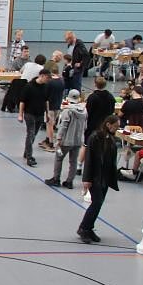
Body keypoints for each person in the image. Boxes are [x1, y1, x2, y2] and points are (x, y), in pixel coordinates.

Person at [78, 115, 121, 244]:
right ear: (108, 124)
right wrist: (87, 179)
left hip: (105, 177)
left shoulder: (111, 138)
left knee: (99, 203)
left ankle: (89, 227)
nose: (117, 129)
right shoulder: (95, 137)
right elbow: (89, 159)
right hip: (95, 177)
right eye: (116, 126)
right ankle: (83, 228)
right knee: (96, 202)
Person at [45, 91, 87, 189]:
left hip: (66, 141)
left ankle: (56, 179)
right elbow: (85, 126)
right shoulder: (84, 111)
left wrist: (58, 139)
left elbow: (63, 126)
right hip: (78, 140)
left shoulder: (67, 111)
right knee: (73, 161)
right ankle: (69, 181)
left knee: (59, 158)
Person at [17, 69, 51, 168]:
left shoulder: (45, 87)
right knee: (30, 133)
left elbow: (46, 101)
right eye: (47, 78)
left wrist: (47, 113)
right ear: (41, 76)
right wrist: (20, 114)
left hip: (40, 114)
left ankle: (26, 152)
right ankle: (29, 157)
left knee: (34, 134)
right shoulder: (29, 86)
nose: (48, 80)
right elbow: (22, 101)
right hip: (29, 113)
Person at [85, 76, 117, 140]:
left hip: (93, 125)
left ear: (95, 84)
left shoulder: (92, 97)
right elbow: (112, 110)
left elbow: (88, 112)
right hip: (106, 124)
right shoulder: (110, 96)